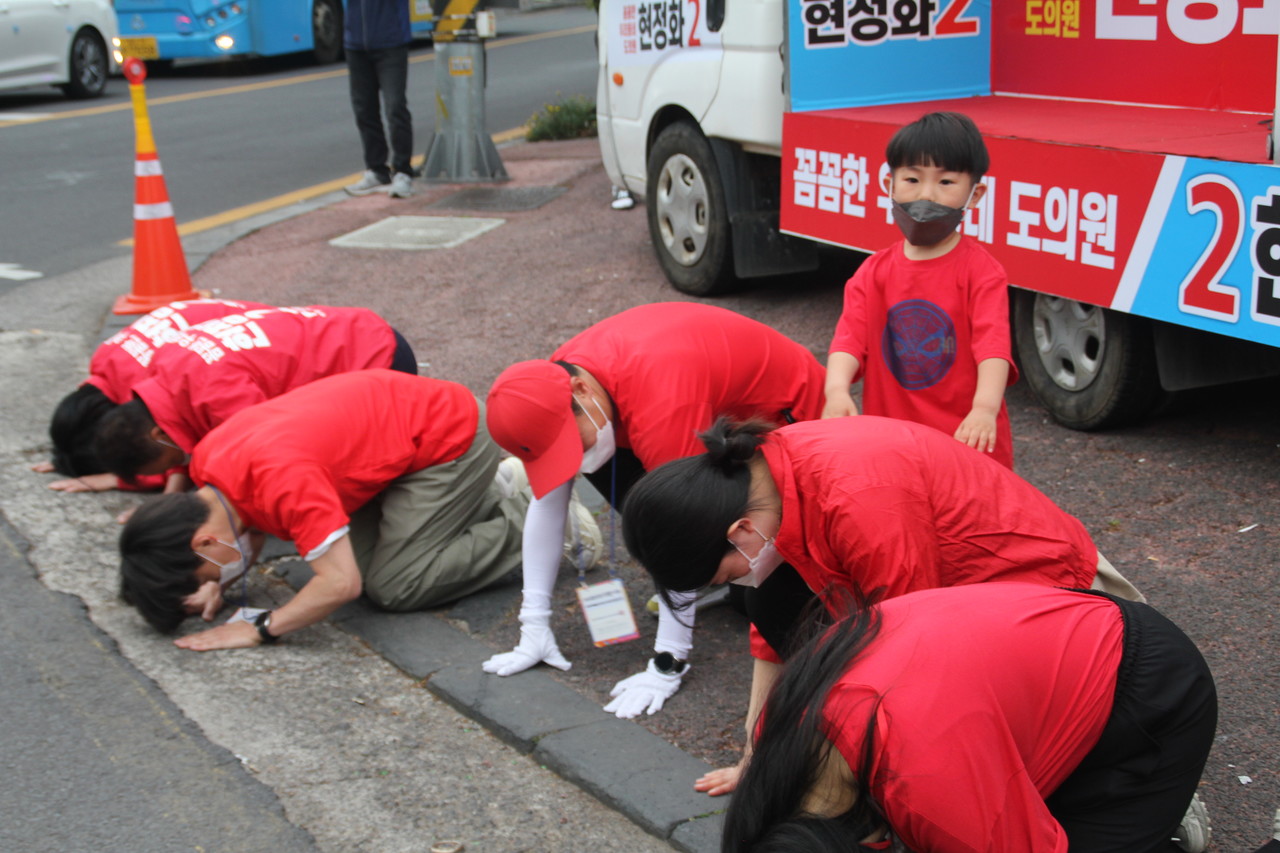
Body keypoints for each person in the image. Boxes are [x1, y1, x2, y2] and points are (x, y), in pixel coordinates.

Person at [621, 415, 1145, 794]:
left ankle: (1117, 778)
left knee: (1005, 765)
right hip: (952, 596)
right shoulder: (767, 485)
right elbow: (770, 633)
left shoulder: (856, 499)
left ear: (740, 532)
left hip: (1054, 596)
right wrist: (754, 756)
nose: (740, 581)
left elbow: (914, 654)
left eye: (726, 575)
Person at [482, 303, 827, 719]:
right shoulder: (553, 384)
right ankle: (706, 582)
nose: (576, 461)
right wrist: (533, 625)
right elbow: (549, 500)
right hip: (688, 409)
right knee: (656, 516)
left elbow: (682, 527)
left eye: (573, 445)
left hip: (788, 418)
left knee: (763, 599)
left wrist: (668, 661)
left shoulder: (663, 405)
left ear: (581, 391)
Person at [723, 583, 1218, 853]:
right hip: (1048, 643)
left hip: (1145, 687)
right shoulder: (780, 730)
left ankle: (1155, 808)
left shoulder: (925, 784)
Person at [118, 370, 528, 648]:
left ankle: (540, 515)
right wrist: (219, 586)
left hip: (450, 434)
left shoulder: (282, 483)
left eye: (210, 572)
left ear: (205, 542)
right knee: (367, 565)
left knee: (397, 585)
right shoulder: (209, 465)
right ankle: (487, 489)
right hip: (398, 440)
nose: (217, 576)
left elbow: (340, 585)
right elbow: (252, 527)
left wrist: (261, 628)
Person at [824, 111, 1018, 469]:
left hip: (967, 443)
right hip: (893, 444)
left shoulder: (981, 272)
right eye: (912, 179)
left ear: (975, 194)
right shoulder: (873, 272)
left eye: (946, 182)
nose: (927, 194)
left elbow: (993, 349)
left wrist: (984, 409)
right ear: (890, 185)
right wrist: (836, 390)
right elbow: (849, 341)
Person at [92, 304, 417, 484]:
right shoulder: (166, 364)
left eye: (170, 462)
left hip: (377, 358)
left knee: (338, 474)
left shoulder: (222, 399)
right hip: (354, 328)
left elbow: (273, 463)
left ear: (159, 435)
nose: (178, 465)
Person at [34, 298, 268, 493]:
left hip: (254, 342)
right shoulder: (106, 358)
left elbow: (180, 444)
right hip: (257, 325)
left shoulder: (145, 386)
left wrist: (121, 480)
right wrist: (66, 460)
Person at [342, 0, 415, 199]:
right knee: (364, 109)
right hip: (355, 43)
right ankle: (377, 170)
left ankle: (402, 171)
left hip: (391, 41)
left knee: (395, 106)